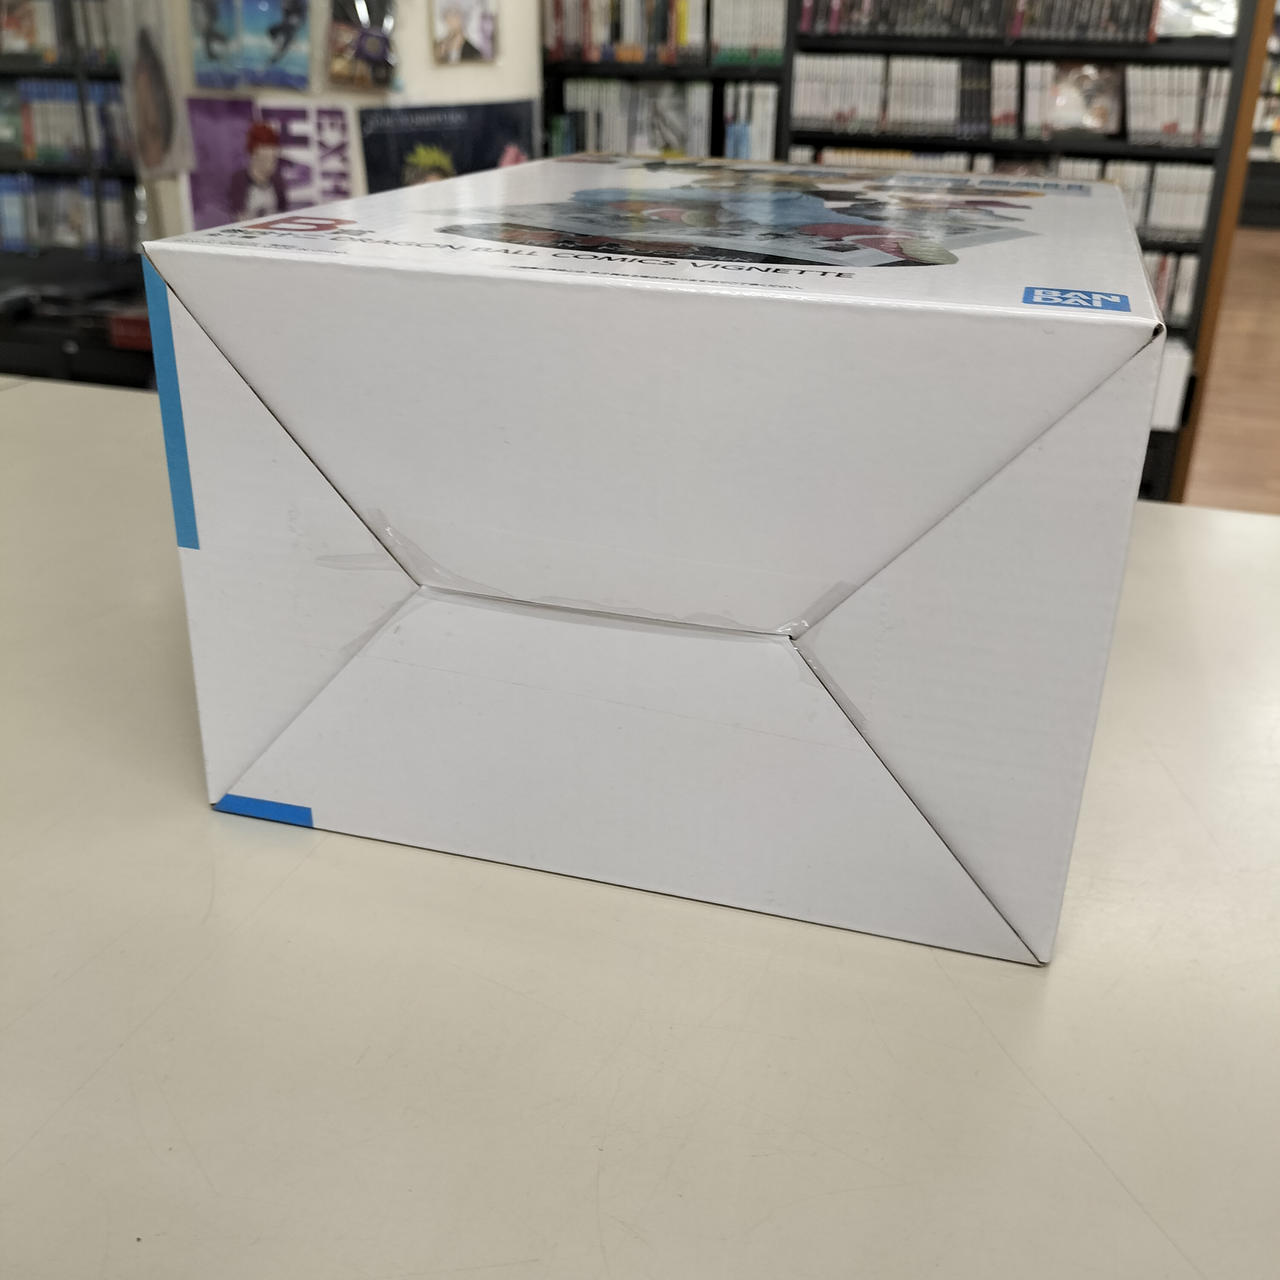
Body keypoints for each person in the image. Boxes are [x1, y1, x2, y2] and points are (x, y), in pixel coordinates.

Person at [228, 121, 287, 220]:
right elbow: (236, 214)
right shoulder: (239, 180)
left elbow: (283, 211)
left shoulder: (277, 180)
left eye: (274, 159)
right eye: (267, 159)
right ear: (254, 155)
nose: (273, 163)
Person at [268, 0, 307, 64]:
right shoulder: (285, 6)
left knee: (284, 45)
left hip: (293, 25)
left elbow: (302, 14)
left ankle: (273, 60)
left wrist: (296, 20)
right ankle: (272, 59)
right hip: (287, 24)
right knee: (272, 31)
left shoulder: (298, 5)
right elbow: (285, 15)